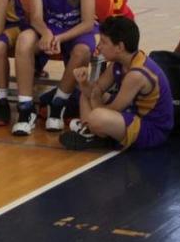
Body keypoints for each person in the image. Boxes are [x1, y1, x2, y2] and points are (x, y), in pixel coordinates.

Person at [13, 0, 97, 136]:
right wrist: (47, 33)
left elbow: (88, 22)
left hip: (75, 29)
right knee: (24, 40)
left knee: (82, 51)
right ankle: (25, 109)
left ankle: (58, 103)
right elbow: (36, 17)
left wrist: (58, 37)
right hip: (49, 28)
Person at [59, 17, 174, 150]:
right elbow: (96, 89)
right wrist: (83, 82)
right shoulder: (119, 63)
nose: (99, 46)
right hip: (132, 113)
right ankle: (91, 132)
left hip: (151, 129)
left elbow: (113, 109)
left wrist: (95, 101)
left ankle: (93, 131)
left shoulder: (136, 75)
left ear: (119, 47)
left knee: (97, 116)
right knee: (85, 94)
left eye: (103, 42)